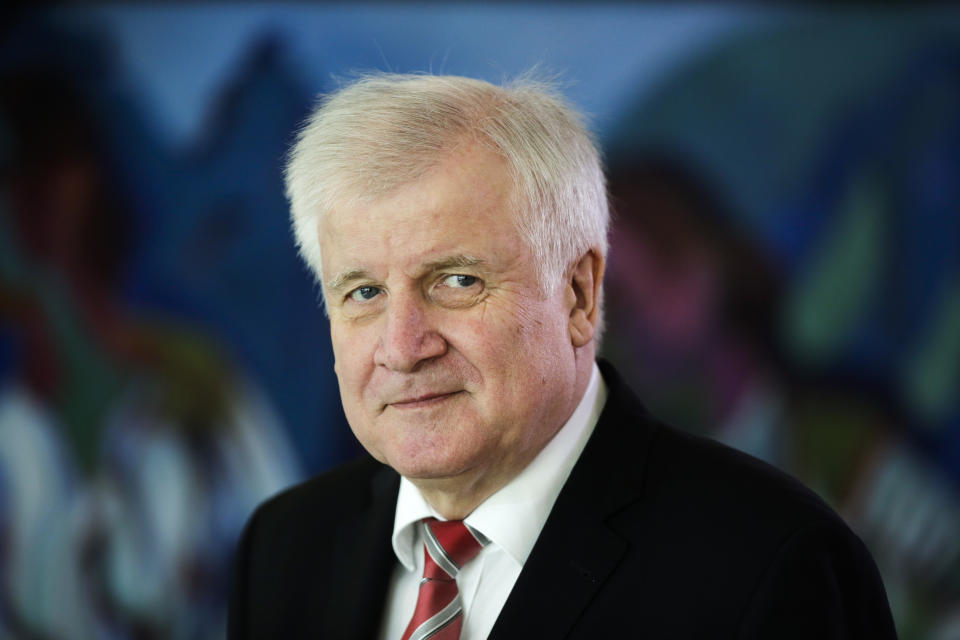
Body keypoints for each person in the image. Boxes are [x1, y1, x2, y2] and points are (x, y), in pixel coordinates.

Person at [228, 73, 896, 639]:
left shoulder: (774, 563)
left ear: (578, 296)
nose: (402, 348)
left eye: (457, 281)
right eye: (365, 291)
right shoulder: (286, 546)